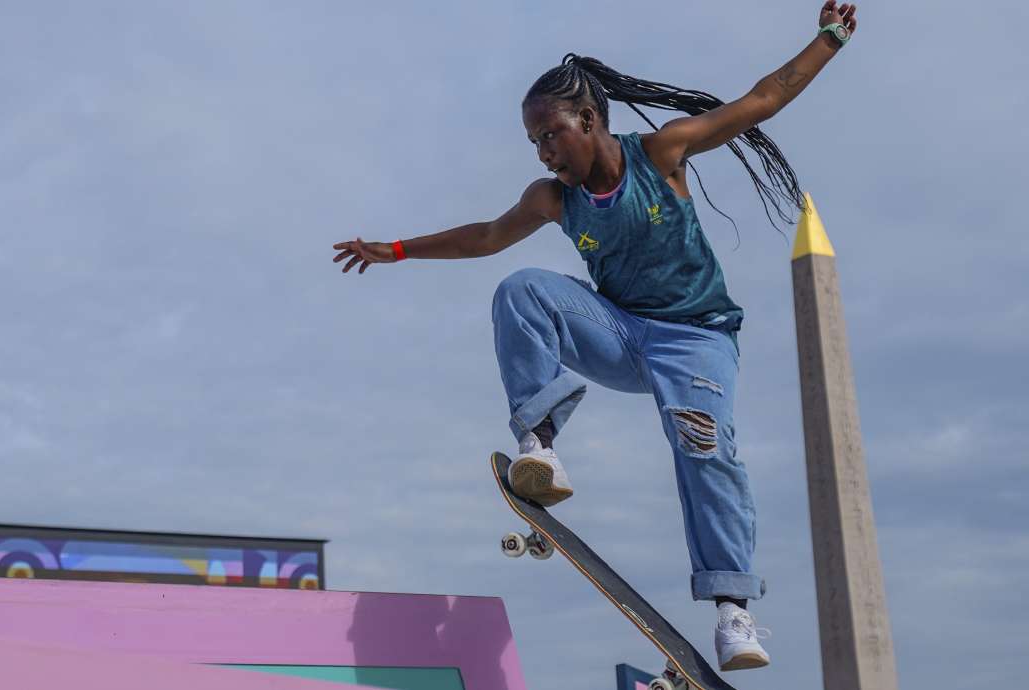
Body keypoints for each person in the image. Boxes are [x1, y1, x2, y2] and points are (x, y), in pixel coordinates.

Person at [333, 1, 857, 671]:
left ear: (588, 120)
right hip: (619, 333)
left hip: (695, 340)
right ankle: (540, 446)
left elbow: (762, 99)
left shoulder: (663, 152)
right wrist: (400, 250)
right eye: (534, 143)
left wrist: (827, 41)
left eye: (551, 135)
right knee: (522, 288)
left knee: (703, 446)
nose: (545, 153)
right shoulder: (552, 198)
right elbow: (487, 237)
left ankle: (732, 609)